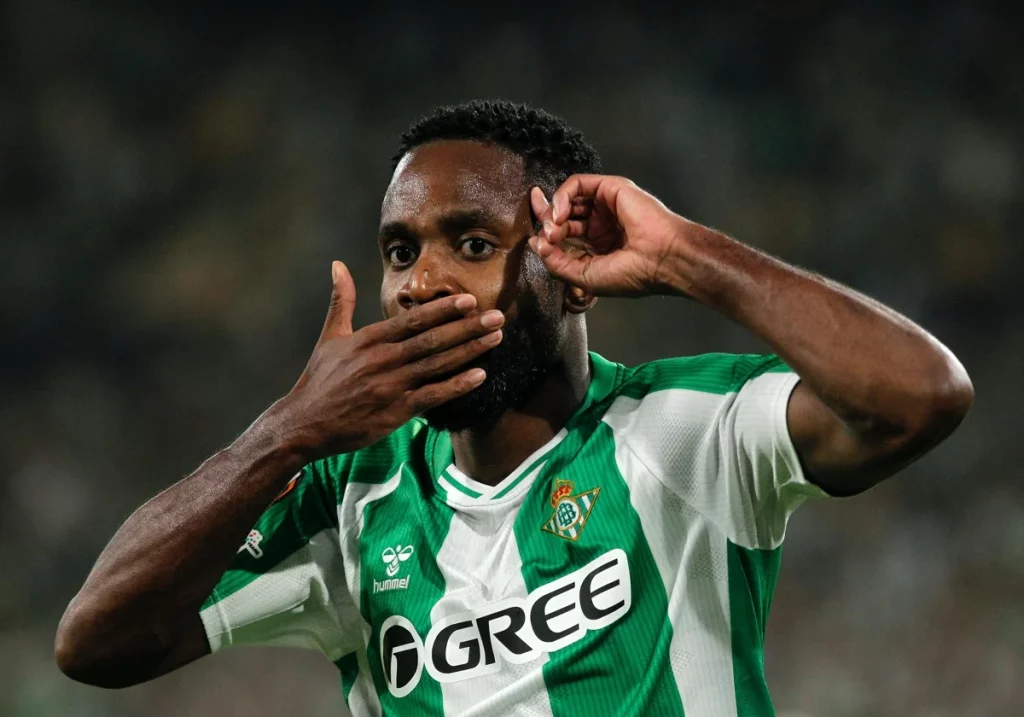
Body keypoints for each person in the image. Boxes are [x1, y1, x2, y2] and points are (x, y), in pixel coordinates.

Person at [55, 100, 974, 716]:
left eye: (472, 241)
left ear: (570, 272)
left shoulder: (683, 431)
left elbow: (919, 397)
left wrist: (685, 254)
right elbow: (96, 640)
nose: (423, 283)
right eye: (401, 250)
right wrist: (287, 430)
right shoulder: (346, 496)